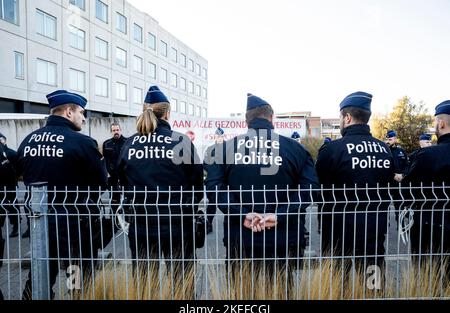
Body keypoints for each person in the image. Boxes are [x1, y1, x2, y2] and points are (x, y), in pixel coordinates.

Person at [205, 93, 319, 275]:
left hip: (239, 237)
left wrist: (242, 214)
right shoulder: (296, 149)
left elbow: (214, 188)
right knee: (281, 290)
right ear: (271, 117)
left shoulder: (224, 150)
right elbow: (310, 189)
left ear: (246, 121)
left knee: (240, 293)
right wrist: (279, 215)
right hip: (283, 236)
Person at [17, 90, 107, 299]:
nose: (84, 118)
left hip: (40, 223)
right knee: (75, 276)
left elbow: (20, 172)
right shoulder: (82, 142)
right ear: (68, 112)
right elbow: (101, 182)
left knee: (39, 276)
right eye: (81, 113)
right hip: (74, 225)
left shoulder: (28, 141)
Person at [117, 86, 203, 275]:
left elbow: (121, 181)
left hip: (142, 223)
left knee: (145, 284)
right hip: (178, 223)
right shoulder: (181, 141)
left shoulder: (130, 143)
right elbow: (197, 183)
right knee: (183, 284)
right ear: (167, 113)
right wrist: (190, 206)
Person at [315, 91, 395, 272]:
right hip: (374, 227)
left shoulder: (332, 150)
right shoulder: (384, 149)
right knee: (372, 281)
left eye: (340, 118)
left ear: (348, 118)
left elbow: (320, 188)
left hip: (338, 228)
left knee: (336, 282)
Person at [403, 101, 450, 257]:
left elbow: (407, 189)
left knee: (429, 277)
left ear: (441, 123)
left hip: (432, 228)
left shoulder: (428, 155)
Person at [0, 133, 20, 238]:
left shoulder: (11, 153)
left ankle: (15, 226)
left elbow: (19, 166)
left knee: (12, 205)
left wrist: (15, 177)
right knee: (2, 206)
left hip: (10, 184)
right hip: (3, 184)